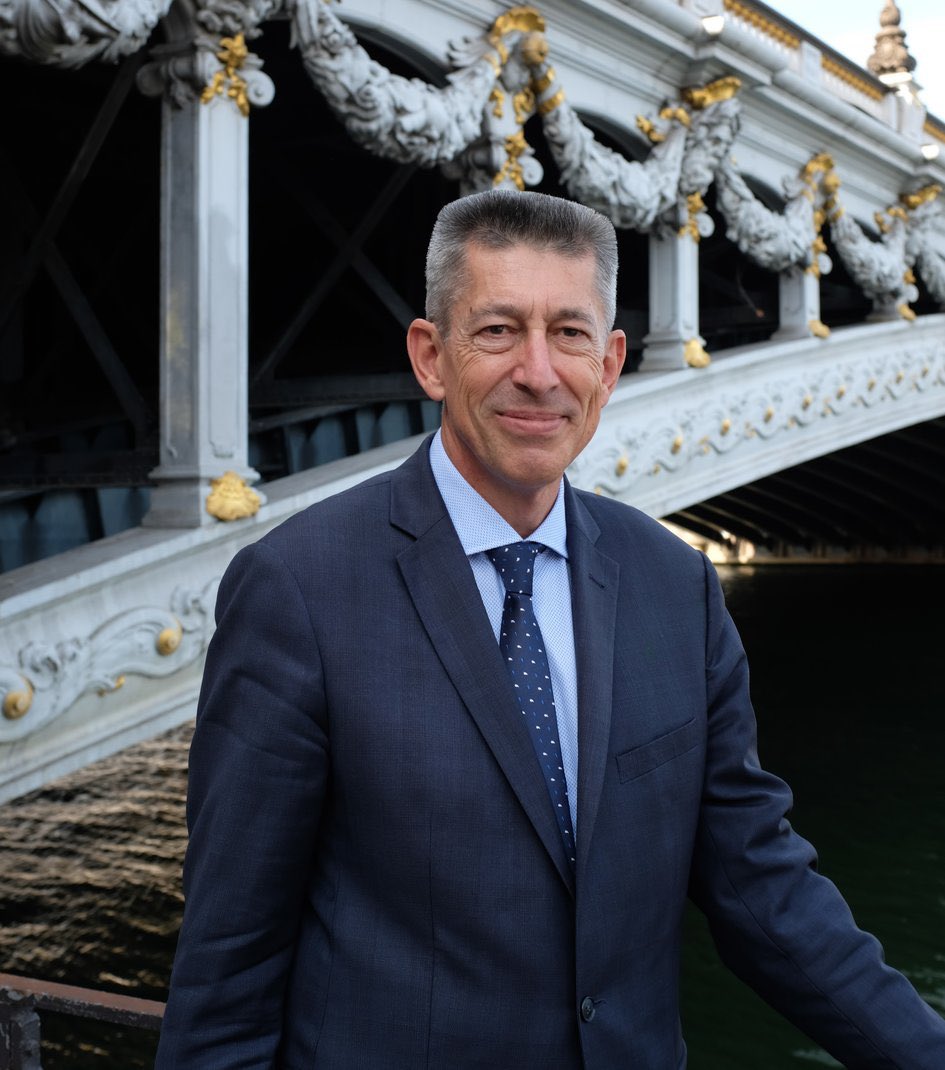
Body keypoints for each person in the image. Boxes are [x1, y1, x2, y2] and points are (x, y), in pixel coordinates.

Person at [156, 189, 945, 1069]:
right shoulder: (298, 590)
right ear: (430, 357)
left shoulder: (674, 585)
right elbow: (230, 967)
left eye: (569, 334)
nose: (538, 372)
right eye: (497, 331)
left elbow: (760, 886)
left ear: (609, 365)